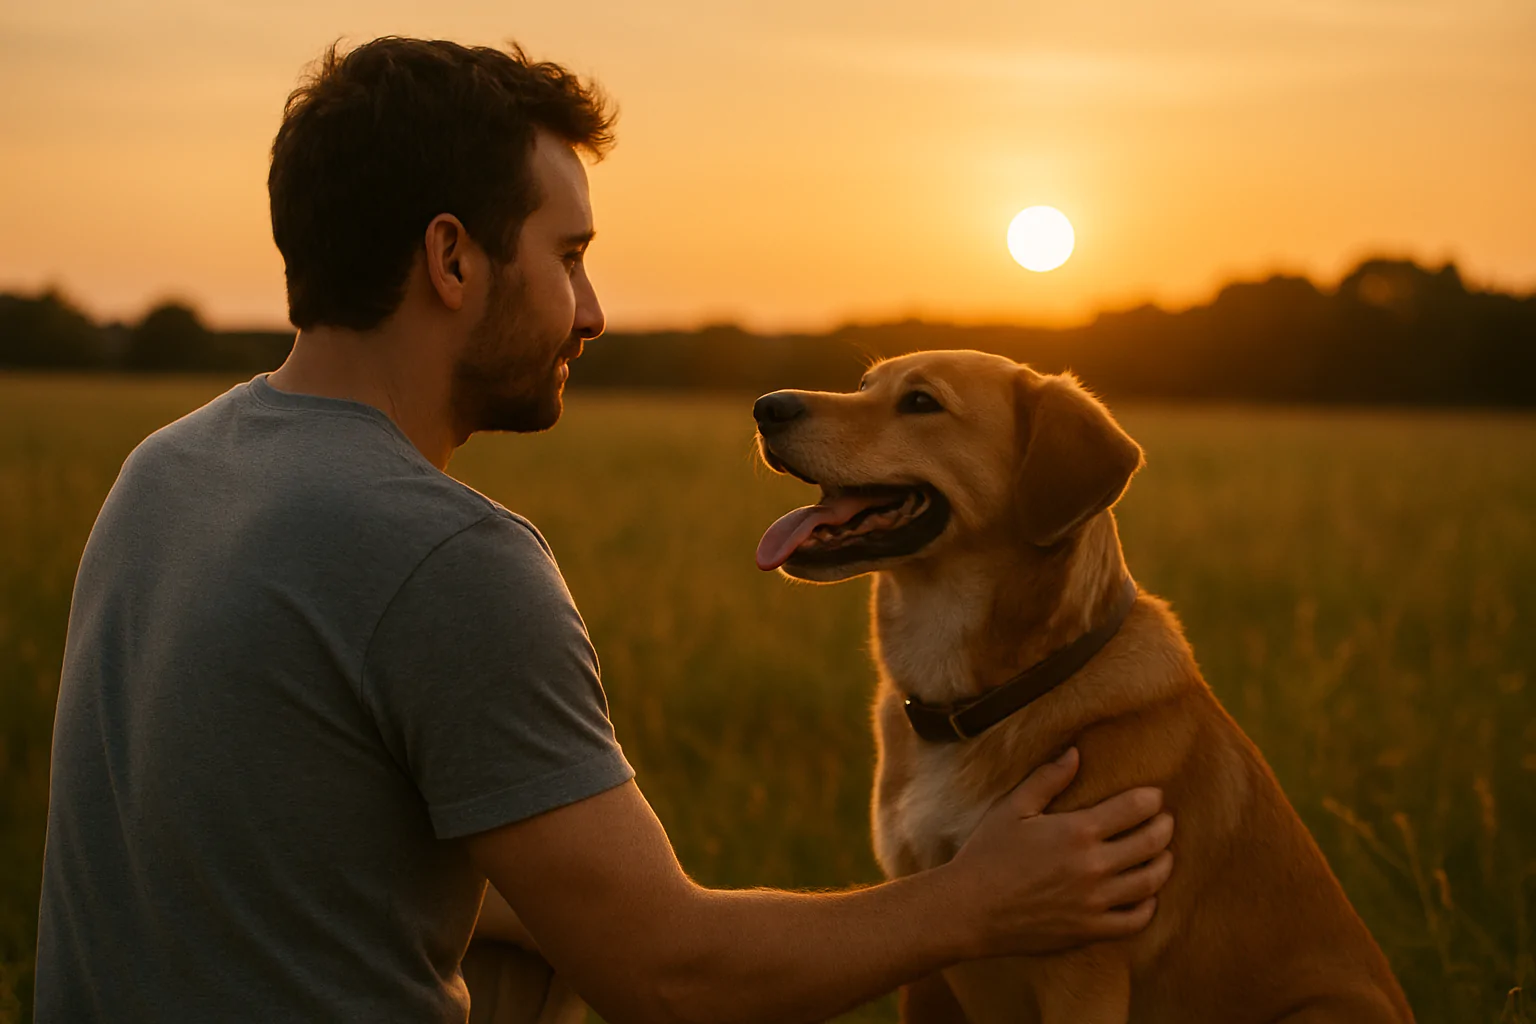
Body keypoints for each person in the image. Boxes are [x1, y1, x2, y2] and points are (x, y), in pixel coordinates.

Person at [33, 37, 1175, 1023]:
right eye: (570, 256)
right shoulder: (446, 556)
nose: (593, 310)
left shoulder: (165, 471)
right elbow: (675, 981)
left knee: (532, 932)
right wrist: (977, 900)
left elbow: (254, 856)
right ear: (451, 259)